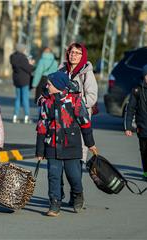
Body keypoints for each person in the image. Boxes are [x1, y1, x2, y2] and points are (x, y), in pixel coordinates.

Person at [36, 71, 98, 217]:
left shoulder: (75, 100)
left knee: (74, 175)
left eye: (49, 84)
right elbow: (41, 126)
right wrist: (40, 151)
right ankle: (55, 203)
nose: (47, 86)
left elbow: (85, 123)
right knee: (53, 175)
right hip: (52, 145)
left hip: (71, 144)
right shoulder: (46, 102)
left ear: (58, 85)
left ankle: (78, 194)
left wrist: (90, 144)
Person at [59, 42, 98, 204]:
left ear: (83, 56)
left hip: (79, 119)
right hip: (61, 120)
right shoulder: (61, 71)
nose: (73, 55)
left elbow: (92, 97)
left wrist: (73, 102)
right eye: (71, 52)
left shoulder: (86, 73)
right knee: (59, 157)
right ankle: (58, 194)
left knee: (78, 157)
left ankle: (76, 194)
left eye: (77, 53)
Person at [10, 44, 35, 124]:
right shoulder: (23, 58)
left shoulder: (13, 57)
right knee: (25, 98)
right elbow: (29, 69)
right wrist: (31, 64)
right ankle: (27, 116)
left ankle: (15, 116)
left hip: (16, 79)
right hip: (24, 80)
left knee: (17, 98)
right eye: (24, 49)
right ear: (22, 50)